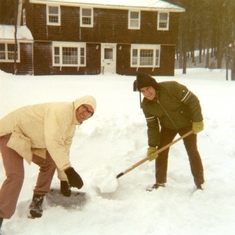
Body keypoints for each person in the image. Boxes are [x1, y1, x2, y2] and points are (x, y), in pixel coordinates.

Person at [0, 95, 96, 228]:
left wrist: (64, 179)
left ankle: (37, 201)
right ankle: (0, 216)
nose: (85, 113)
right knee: (16, 176)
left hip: (28, 138)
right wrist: (69, 171)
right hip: (11, 132)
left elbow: (63, 150)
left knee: (50, 162)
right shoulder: (62, 111)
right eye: (84, 108)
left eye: (89, 112)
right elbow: (53, 143)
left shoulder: (71, 126)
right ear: (78, 104)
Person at [134, 73, 204, 191]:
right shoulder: (146, 105)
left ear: (153, 85)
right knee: (161, 152)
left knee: (192, 151)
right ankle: (160, 182)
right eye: (142, 91)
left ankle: (200, 183)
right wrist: (152, 146)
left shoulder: (172, 87)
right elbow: (152, 126)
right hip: (168, 127)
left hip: (187, 124)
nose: (146, 93)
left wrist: (197, 121)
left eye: (148, 89)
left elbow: (193, 101)